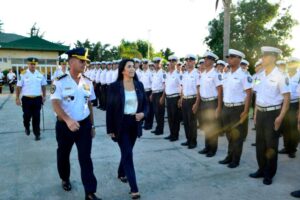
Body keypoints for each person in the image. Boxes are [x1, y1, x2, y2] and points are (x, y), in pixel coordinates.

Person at [50, 48, 100, 200]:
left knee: (86, 158)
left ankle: (90, 193)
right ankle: (65, 178)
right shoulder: (59, 82)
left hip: (84, 126)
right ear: (71, 61)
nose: (85, 63)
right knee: (63, 155)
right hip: (64, 126)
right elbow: (55, 104)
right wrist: (67, 120)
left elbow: (89, 104)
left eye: (86, 61)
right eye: (81, 60)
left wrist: (92, 125)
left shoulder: (88, 82)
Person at [106, 59, 147, 200]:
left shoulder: (139, 85)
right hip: (120, 124)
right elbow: (110, 109)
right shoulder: (114, 87)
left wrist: (143, 114)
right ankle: (134, 188)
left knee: (127, 152)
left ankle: (121, 172)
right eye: (129, 66)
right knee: (128, 154)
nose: (132, 69)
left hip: (134, 124)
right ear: (122, 70)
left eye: (133, 66)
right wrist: (110, 128)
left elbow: (146, 106)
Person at [249, 46, 290, 185]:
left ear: (273, 57)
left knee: (271, 145)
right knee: (260, 144)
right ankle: (261, 169)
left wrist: (280, 117)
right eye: (262, 55)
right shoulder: (259, 75)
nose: (262, 58)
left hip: (273, 113)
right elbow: (257, 95)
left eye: (265, 56)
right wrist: (255, 113)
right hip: (260, 112)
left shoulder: (281, 75)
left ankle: (269, 173)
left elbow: (286, 98)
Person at [219, 49, 252, 168]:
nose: (229, 59)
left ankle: (235, 160)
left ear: (239, 59)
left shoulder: (244, 75)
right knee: (229, 134)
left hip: (238, 109)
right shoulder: (226, 75)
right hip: (226, 108)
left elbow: (249, 93)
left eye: (232, 57)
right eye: (228, 56)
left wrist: (246, 111)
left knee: (237, 136)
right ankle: (229, 156)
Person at [198, 51, 222, 157]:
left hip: (212, 103)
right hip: (204, 102)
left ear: (212, 61)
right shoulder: (203, 74)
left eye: (207, 59)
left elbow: (220, 90)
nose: (205, 60)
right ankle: (207, 147)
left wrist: (219, 107)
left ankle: (213, 149)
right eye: (204, 58)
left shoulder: (216, 74)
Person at [16, 57, 47, 140]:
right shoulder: (23, 74)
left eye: (34, 64)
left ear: (36, 64)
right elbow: (18, 87)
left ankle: (37, 134)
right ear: (28, 64)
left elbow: (43, 86)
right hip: (26, 99)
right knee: (26, 116)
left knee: (36, 117)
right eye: (31, 64)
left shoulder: (40, 74)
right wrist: (17, 98)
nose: (33, 65)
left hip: (37, 99)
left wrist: (44, 96)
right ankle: (26, 126)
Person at [278, 57, 300, 158]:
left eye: (293, 63)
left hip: (295, 104)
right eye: (290, 63)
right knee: (285, 127)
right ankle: (286, 147)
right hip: (284, 104)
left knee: (293, 128)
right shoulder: (284, 75)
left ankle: (293, 149)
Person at [179, 54, 200, 149]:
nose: (188, 62)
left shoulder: (197, 74)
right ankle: (188, 140)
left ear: (194, 62)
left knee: (192, 122)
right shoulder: (185, 74)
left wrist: (197, 102)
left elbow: (198, 89)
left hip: (192, 99)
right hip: (185, 99)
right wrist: (181, 99)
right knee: (186, 121)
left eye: (190, 60)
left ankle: (193, 141)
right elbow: (183, 88)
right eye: (187, 60)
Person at [163, 55, 181, 141]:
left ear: (176, 63)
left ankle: (175, 135)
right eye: (170, 61)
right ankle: (171, 133)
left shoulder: (178, 74)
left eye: (173, 61)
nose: (171, 63)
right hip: (168, 98)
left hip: (175, 98)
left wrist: (180, 99)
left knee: (175, 118)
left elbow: (181, 86)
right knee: (170, 117)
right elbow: (166, 86)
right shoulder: (167, 74)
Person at [150, 57, 166, 135]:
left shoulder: (162, 73)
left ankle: (160, 130)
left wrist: (163, 97)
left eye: (158, 63)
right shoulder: (153, 73)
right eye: (155, 63)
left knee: (160, 113)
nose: (156, 64)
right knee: (156, 112)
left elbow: (165, 85)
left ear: (160, 64)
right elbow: (154, 84)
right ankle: (158, 128)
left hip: (160, 94)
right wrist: (152, 94)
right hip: (154, 93)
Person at [139, 59, 154, 130]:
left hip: (148, 92)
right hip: (142, 92)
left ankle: (149, 125)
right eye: (143, 64)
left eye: (145, 64)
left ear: (148, 65)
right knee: (144, 108)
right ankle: (146, 123)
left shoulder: (150, 73)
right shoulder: (142, 73)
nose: (144, 65)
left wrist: (151, 93)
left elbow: (152, 84)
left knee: (149, 109)